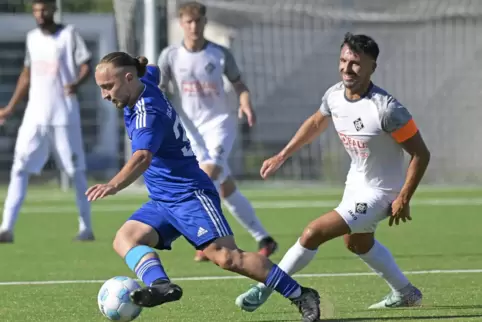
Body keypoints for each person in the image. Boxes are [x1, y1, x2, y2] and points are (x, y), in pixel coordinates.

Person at [88, 52, 321, 321]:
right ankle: (161, 285)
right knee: (125, 239)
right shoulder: (145, 82)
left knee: (227, 257)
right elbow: (152, 70)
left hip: (189, 195)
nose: (105, 94)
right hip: (163, 200)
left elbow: (142, 157)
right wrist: (142, 61)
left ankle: (301, 294)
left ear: (128, 78)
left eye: (108, 86)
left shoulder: (146, 115)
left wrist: (114, 185)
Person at [235, 32, 431, 311]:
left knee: (312, 232)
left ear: (372, 67)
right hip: (355, 183)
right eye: (343, 60)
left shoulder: (388, 110)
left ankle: (266, 287)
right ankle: (406, 293)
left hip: (382, 191)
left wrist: (404, 197)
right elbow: (316, 122)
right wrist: (282, 155)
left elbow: (421, 154)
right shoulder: (334, 95)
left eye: (356, 63)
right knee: (357, 243)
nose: (347, 68)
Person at [157, 1, 278, 262]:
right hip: (190, 130)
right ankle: (264, 238)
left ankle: (207, 241)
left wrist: (245, 102)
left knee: (207, 175)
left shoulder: (219, 54)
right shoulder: (170, 56)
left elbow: (239, 84)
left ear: (204, 23)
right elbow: (161, 89)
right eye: (188, 22)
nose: (194, 27)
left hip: (219, 124)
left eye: (198, 21)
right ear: (181, 24)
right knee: (226, 187)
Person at [0, 0, 93, 243]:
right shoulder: (32, 37)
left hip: (64, 116)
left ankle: (86, 227)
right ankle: (6, 228)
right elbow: (27, 74)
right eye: (36, 10)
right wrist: (10, 107)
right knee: (19, 168)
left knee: (76, 172)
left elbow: (86, 65)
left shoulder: (69, 34)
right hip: (35, 117)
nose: (40, 14)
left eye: (44, 9)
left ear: (53, 9)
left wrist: (76, 83)